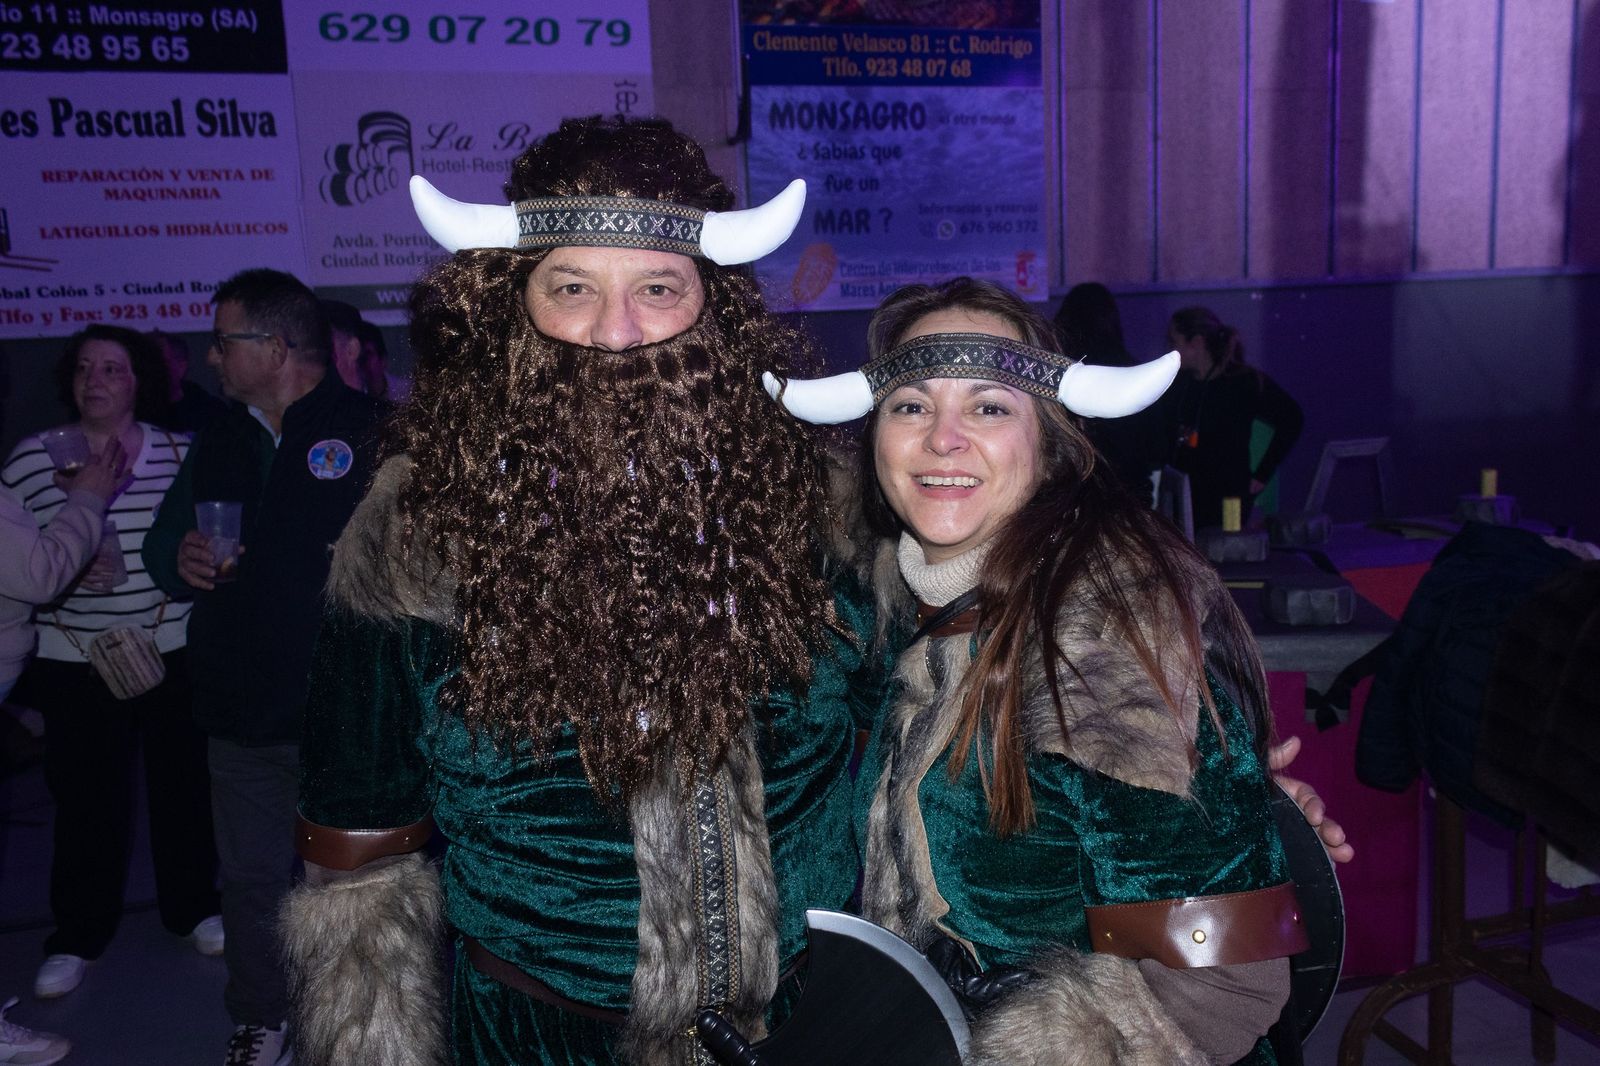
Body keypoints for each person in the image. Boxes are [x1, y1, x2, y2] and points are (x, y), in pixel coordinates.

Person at [282, 115, 878, 1066]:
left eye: (657, 288)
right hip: (538, 1032)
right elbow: (359, 839)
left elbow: (926, 744)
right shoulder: (422, 537)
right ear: (513, 304)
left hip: (804, 1025)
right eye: (572, 288)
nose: (616, 332)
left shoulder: (816, 511)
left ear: (713, 306)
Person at [768, 278, 1327, 1065]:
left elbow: (1225, 985)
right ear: (875, 439)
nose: (943, 439)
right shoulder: (911, 603)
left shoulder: (1101, 640)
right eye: (911, 405)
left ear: (1051, 444)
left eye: (990, 408)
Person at [142, 270, 384, 1066]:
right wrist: (181, 558)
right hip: (241, 711)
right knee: (250, 880)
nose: (211, 358)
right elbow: (162, 548)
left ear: (276, 348)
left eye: (224, 342)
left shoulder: (373, 432)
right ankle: (260, 1017)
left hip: (346, 712)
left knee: (351, 887)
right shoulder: (220, 439)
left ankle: (357, 1025)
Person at [1, 325, 220, 1003]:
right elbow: (21, 561)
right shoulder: (32, 457)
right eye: (84, 368)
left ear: (138, 382)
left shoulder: (178, 451)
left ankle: (194, 908)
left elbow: (200, 538)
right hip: (73, 654)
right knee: (86, 802)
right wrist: (68, 568)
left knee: (184, 789)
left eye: (112, 369)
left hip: (168, 642)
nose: (95, 380)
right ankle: (77, 936)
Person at [1161, 306, 1304, 529]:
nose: (1170, 349)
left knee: (1229, 544)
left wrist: (1263, 474)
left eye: (1174, 341)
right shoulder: (1180, 383)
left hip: (1230, 497)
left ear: (1196, 342)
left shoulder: (1244, 382)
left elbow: (1292, 418)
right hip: (1188, 497)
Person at [1053, 281, 1169, 500]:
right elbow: (1158, 449)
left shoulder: (1056, 379)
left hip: (1071, 498)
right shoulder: (1138, 375)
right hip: (1129, 496)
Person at [150, 329, 228, 434]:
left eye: (158, 363)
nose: (149, 370)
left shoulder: (210, 413)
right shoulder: (134, 412)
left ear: (181, 367)